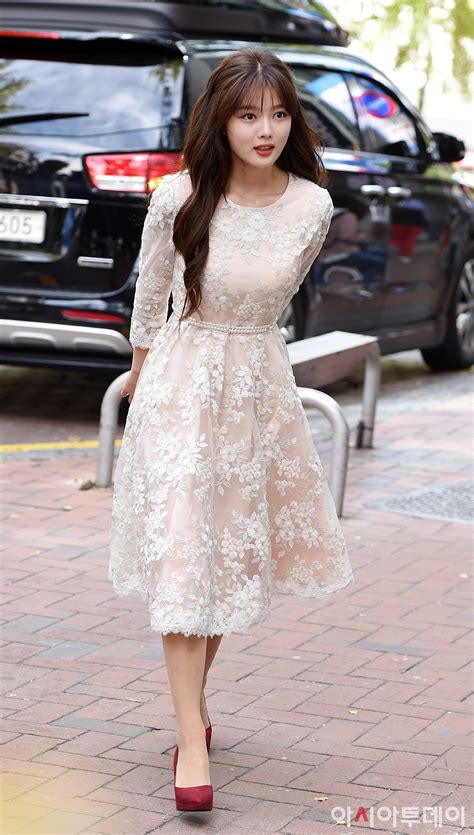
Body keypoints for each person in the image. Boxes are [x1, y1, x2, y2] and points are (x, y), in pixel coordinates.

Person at [108, 46, 355, 813]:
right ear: (220, 119)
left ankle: (195, 707)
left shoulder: (311, 206)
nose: (265, 129)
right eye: (248, 114)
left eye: (277, 114)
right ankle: (191, 737)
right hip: (181, 386)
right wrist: (141, 388)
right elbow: (151, 296)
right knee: (187, 558)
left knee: (224, 562)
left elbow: (277, 301)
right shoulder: (179, 196)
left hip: (256, 390)